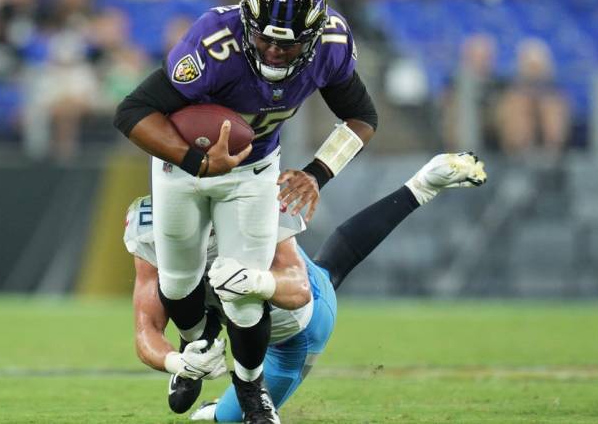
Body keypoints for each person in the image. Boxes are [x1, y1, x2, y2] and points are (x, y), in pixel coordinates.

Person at [113, 0, 378, 421]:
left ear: (311, 38)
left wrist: (318, 172)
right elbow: (133, 111)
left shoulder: (331, 45)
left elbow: (363, 116)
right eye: (265, 39)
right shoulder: (215, 43)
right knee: (179, 283)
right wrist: (195, 159)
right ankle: (195, 348)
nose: (274, 51)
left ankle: (251, 390)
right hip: (183, 169)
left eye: (288, 44)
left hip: (254, 171)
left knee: (243, 287)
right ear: (248, 23)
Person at [124, 153, 487, 422]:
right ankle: (197, 346)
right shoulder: (152, 224)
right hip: (221, 303)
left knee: (225, 419)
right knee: (194, 286)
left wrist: (258, 282)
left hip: (292, 325)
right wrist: (176, 360)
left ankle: (421, 186)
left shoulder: (254, 201)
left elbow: (299, 292)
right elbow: (146, 330)